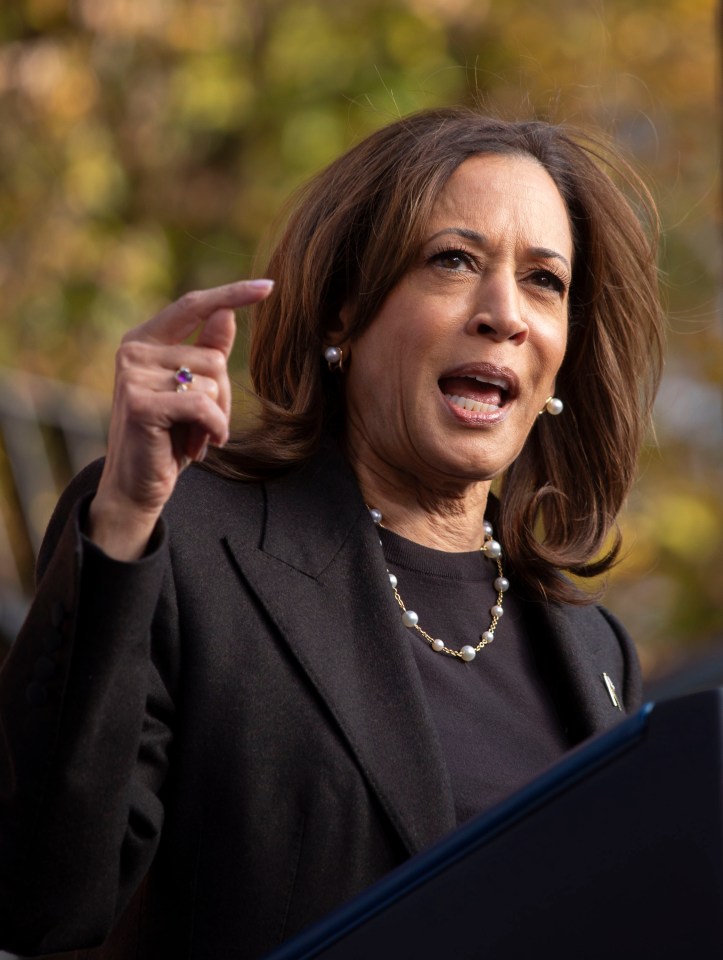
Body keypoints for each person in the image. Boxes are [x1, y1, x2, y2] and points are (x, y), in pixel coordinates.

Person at [0, 107, 663, 959]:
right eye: (453, 261)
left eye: (544, 281)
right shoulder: (180, 541)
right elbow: (40, 901)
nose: (505, 314)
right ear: (344, 310)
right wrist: (125, 521)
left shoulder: (594, 648)